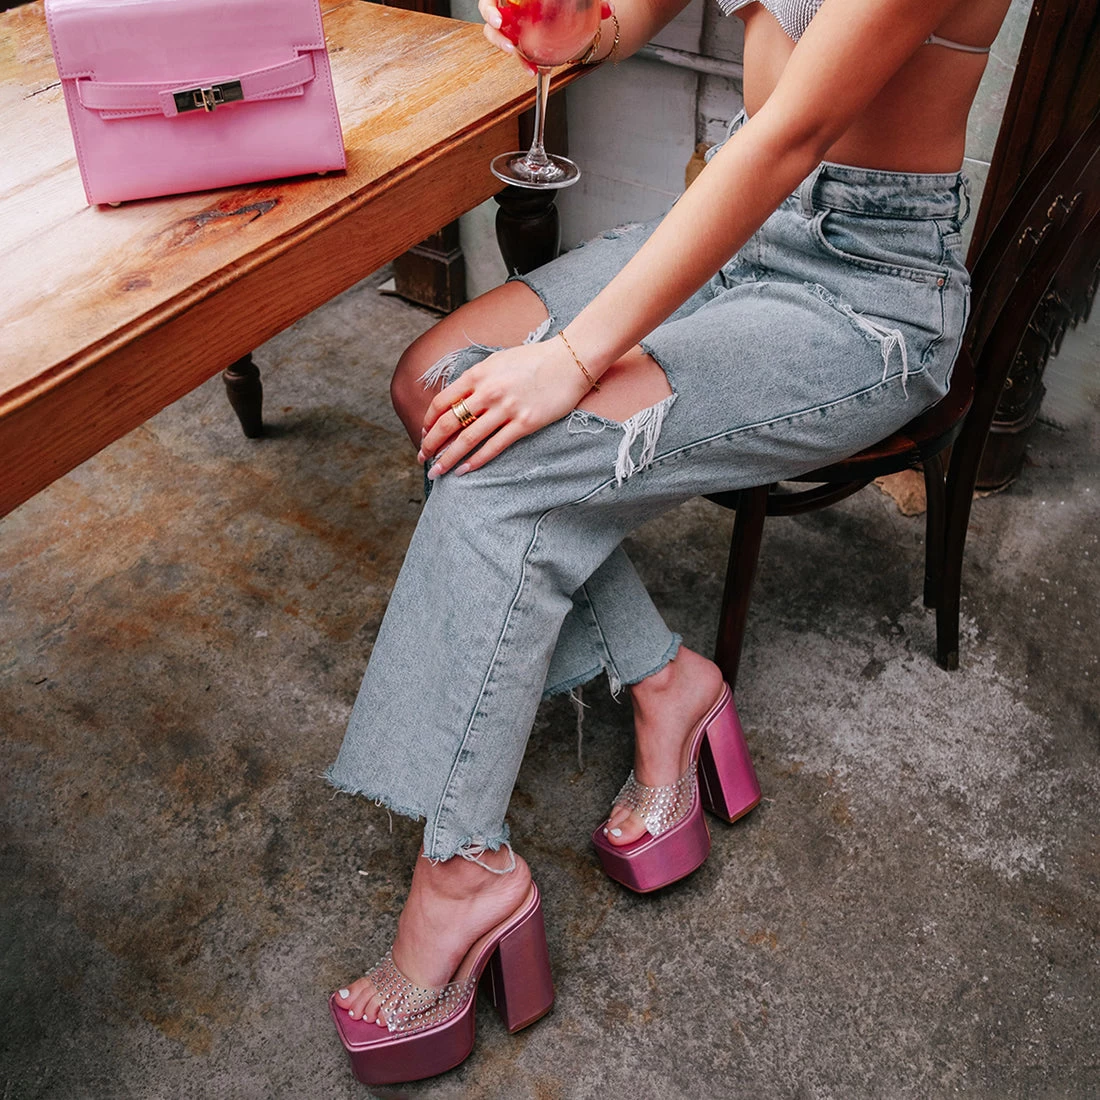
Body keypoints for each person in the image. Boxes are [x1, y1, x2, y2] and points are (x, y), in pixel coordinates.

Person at [325, 0, 1011, 1085]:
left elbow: (794, 132)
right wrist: (588, 35)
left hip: (860, 290)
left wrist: (572, 361)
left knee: (499, 453)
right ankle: (664, 678)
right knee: (433, 381)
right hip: (735, 236)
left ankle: (462, 872)